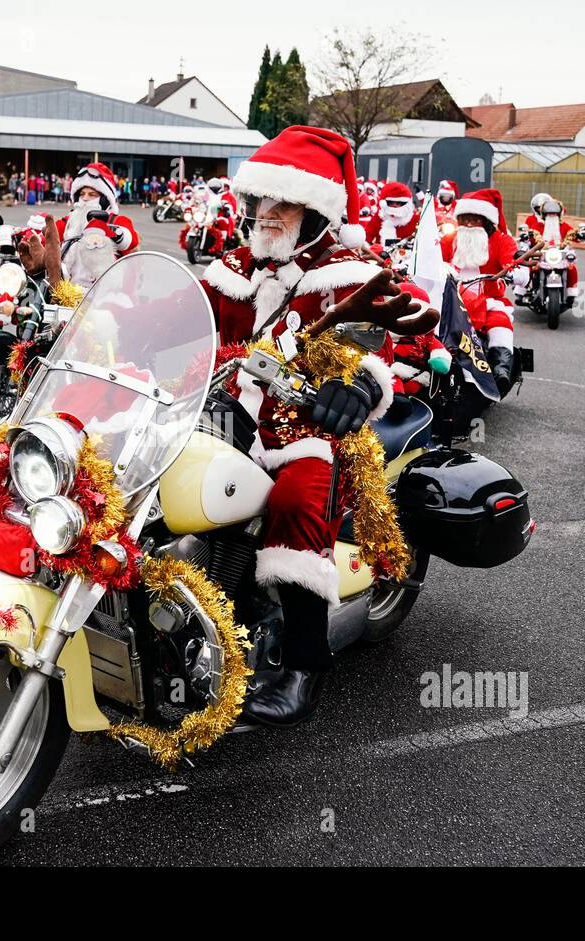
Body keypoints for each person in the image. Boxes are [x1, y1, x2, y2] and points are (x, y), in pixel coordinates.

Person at [200, 125, 428, 726]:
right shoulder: (234, 266)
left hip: (307, 428)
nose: (265, 215)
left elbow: (371, 352)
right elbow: (186, 319)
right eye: (260, 201)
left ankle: (302, 667)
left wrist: (356, 388)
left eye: (282, 203)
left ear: (317, 209)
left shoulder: (348, 275)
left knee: (298, 496)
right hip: (221, 413)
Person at [440, 188, 519, 391]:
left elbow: (512, 260)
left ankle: (501, 370)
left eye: (475, 219)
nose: (468, 224)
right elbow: (434, 256)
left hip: (488, 300)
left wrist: (513, 270)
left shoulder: (501, 240)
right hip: (451, 298)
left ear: (486, 221)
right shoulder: (451, 239)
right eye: (465, 218)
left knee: (500, 324)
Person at [49, 163, 139, 285]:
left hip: (103, 292)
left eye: (92, 195)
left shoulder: (115, 220)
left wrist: (109, 230)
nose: (85, 198)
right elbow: (49, 234)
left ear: (104, 198)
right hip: (67, 292)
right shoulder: (70, 220)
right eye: (82, 194)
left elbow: (131, 240)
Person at [365, 181, 419, 248]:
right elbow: (367, 237)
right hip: (380, 255)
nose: (394, 206)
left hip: (406, 255)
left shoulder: (415, 219)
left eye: (398, 203)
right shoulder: (380, 216)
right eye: (391, 203)